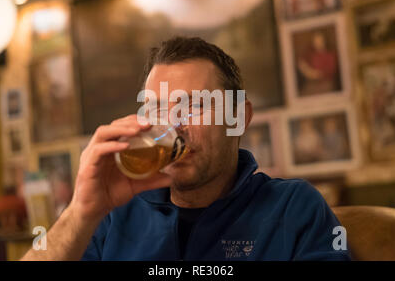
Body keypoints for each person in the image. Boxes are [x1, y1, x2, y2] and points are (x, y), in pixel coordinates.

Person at [21, 36, 350, 261]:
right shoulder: (111, 215)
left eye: (193, 107)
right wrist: (81, 211)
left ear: (238, 117)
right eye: (158, 110)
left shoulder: (293, 208)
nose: (173, 125)